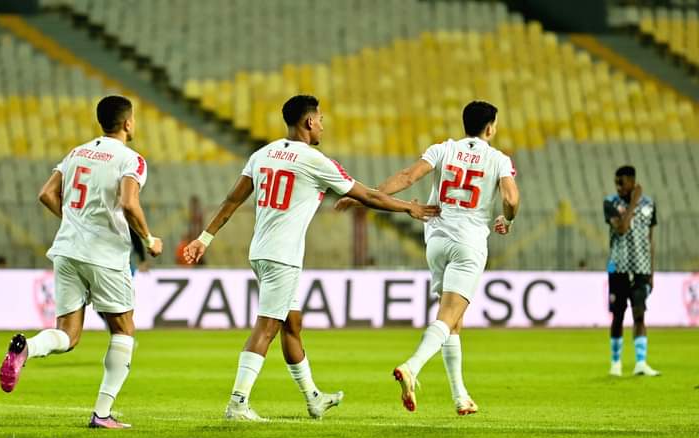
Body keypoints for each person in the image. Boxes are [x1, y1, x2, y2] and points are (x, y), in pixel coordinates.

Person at [183, 94, 439, 421]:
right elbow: (370, 196)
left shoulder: (261, 155)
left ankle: (313, 398)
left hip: (261, 251)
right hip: (283, 256)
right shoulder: (315, 161)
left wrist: (204, 237)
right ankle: (238, 402)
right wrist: (410, 207)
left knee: (292, 324)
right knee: (267, 327)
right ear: (308, 122)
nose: (322, 126)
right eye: (320, 120)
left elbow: (232, 200)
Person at [336, 100, 519, 416]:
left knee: (452, 321)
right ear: (491, 127)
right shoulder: (499, 159)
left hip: (436, 239)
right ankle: (412, 366)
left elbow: (407, 177)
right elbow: (510, 198)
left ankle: (460, 395)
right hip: (469, 243)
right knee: (448, 316)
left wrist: (363, 196)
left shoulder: (443, 149)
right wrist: (507, 218)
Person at [0, 95, 163, 429]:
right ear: (128, 123)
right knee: (123, 330)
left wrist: (74, 220)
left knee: (68, 335)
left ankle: (26, 348)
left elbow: (46, 193)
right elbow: (129, 204)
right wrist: (149, 239)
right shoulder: (131, 159)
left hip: (67, 250)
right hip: (105, 256)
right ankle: (102, 414)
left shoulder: (76, 152)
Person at [604, 165, 659, 377]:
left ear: (632, 182)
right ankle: (616, 364)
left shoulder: (650, 204)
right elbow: (622, 228)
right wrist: (634, 202)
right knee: (618, 315)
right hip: (618, 267)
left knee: (639, 314)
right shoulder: (610, 203)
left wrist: (652, 273)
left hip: (641, 269)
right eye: (616, 182)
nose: (618, 187)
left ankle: (641, 363)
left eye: (622, 182)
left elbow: (650, 239)